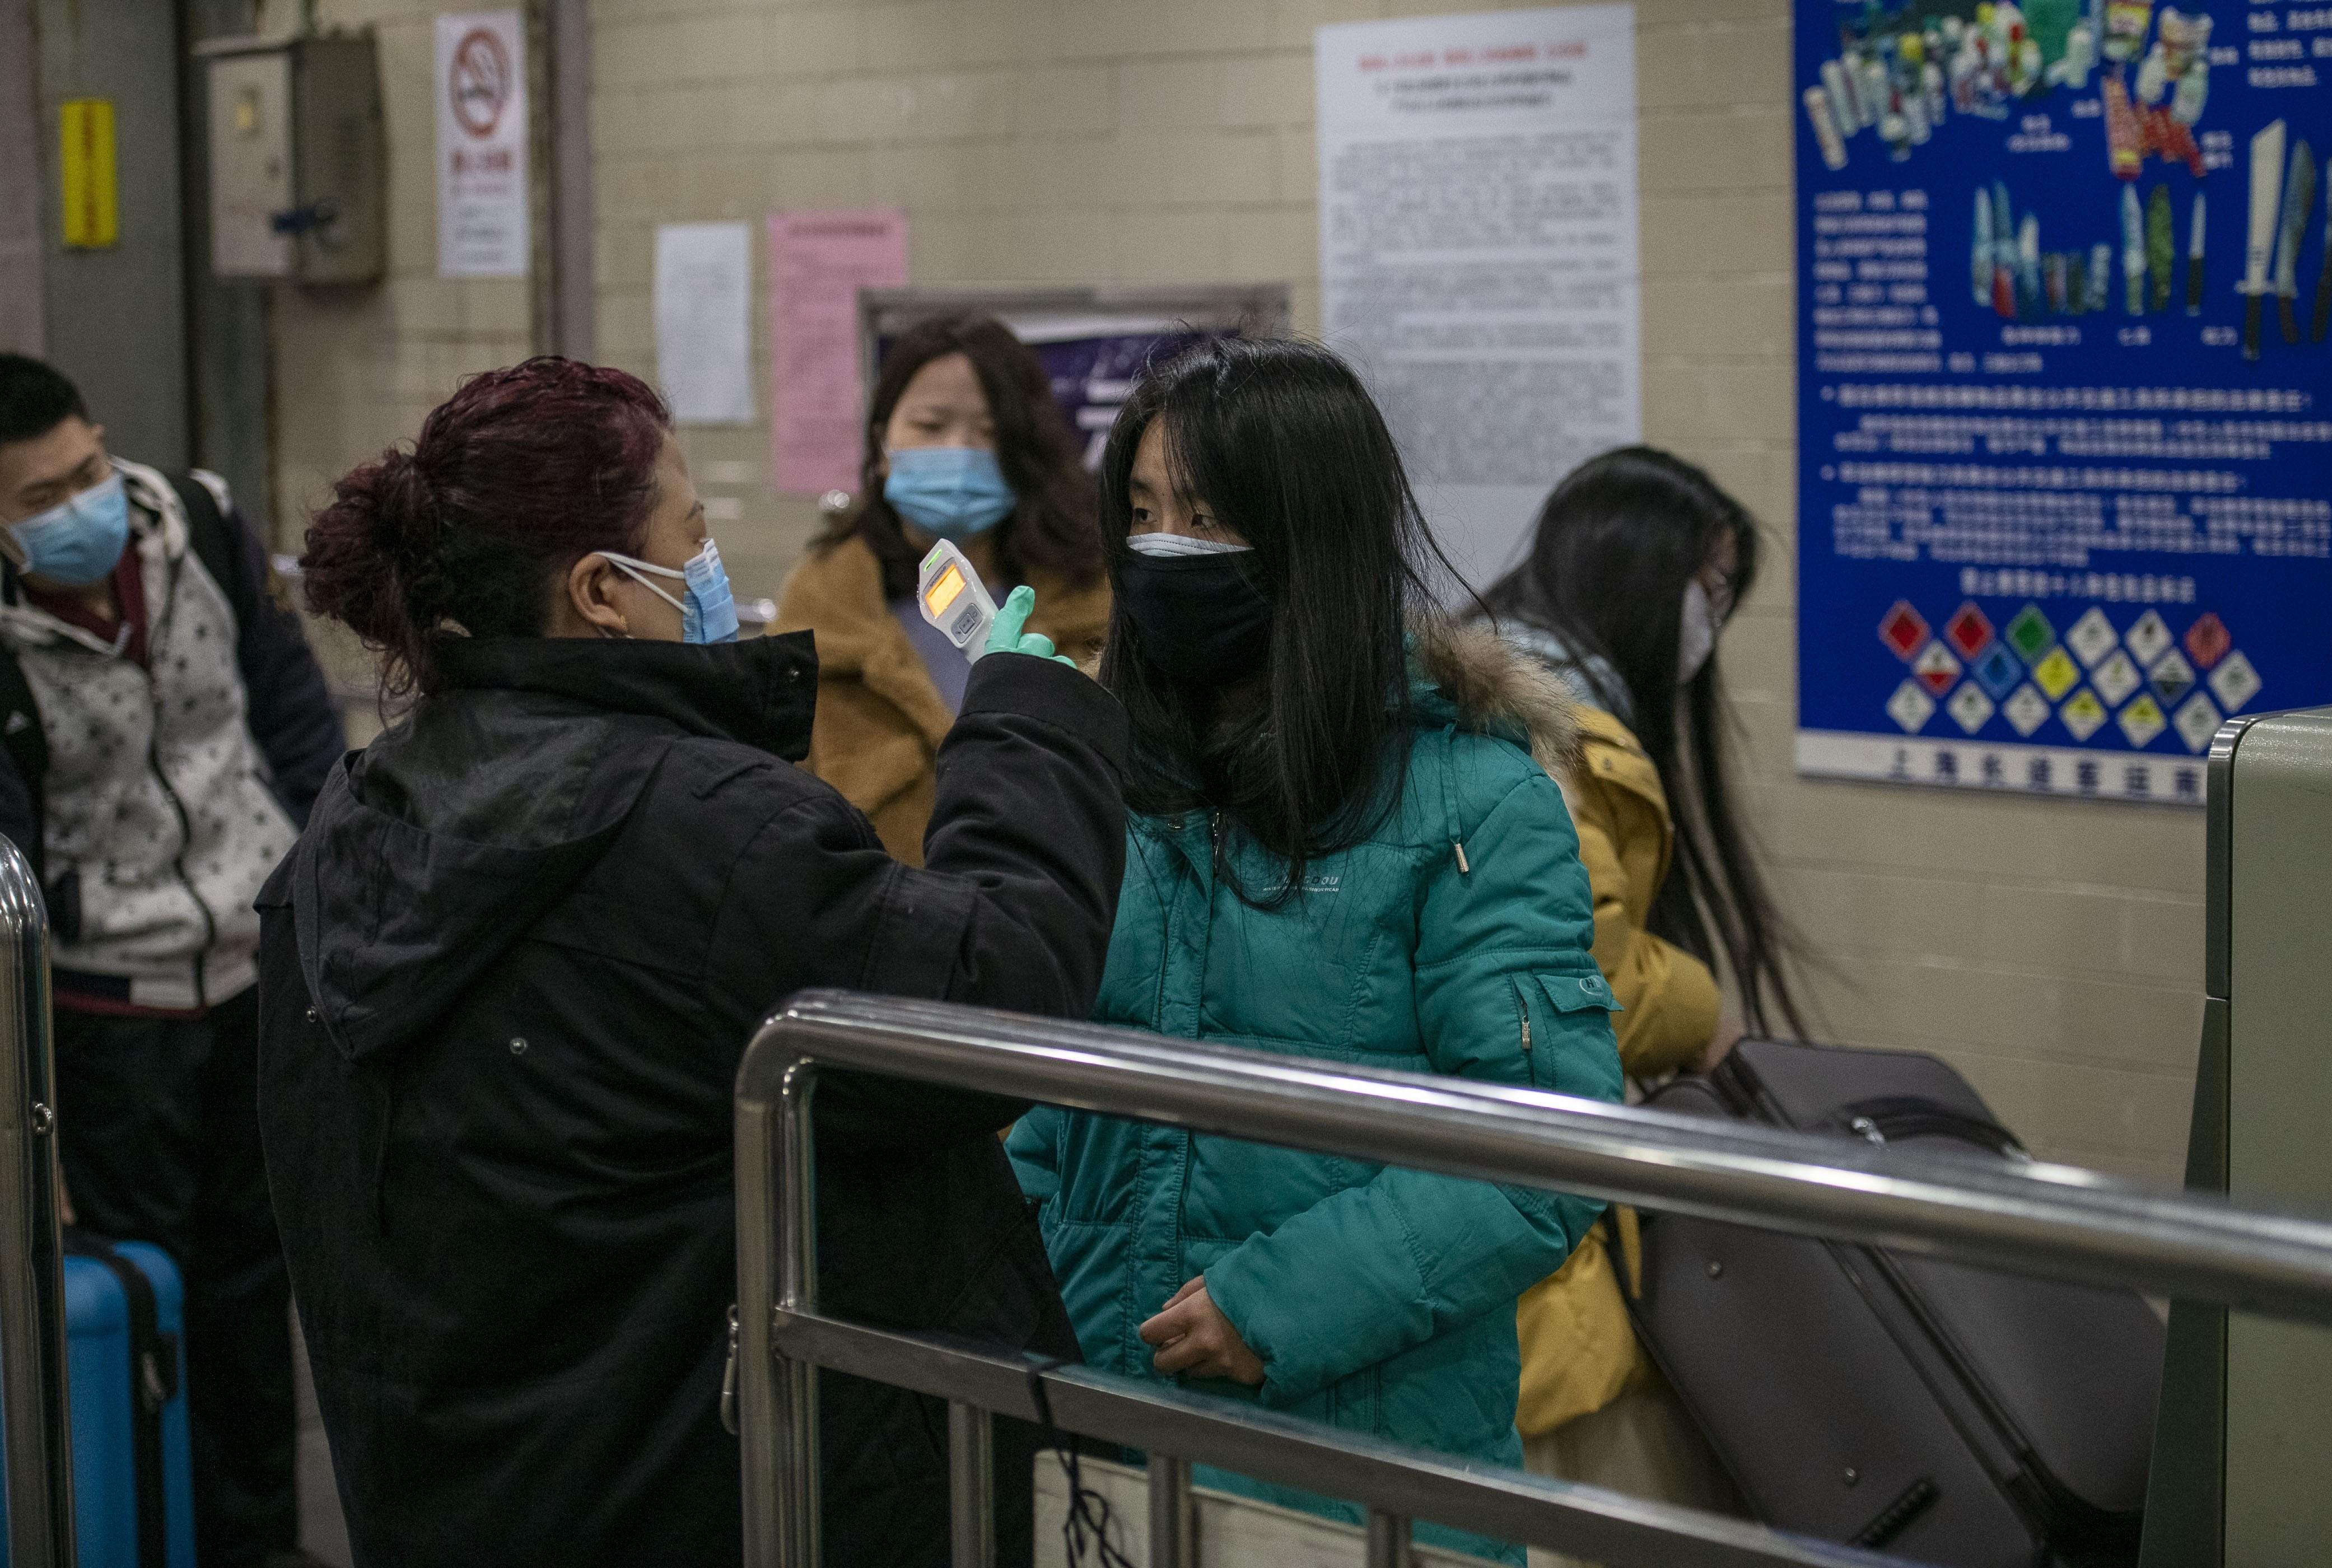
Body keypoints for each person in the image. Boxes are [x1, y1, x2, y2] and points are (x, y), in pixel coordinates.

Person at [254, 357, 1130, 1566]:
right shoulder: (707, 831)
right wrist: (1027, 724)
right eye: (697, 533)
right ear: (606, 590)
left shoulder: (349, 829)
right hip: (727, 1493)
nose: (720, 571)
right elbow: (990, 1001)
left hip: (473, 1493)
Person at [1006, 338, 1624, 1565]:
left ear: (1311, 534)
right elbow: (1046, 1088)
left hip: (1348, 1468)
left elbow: (1541, 1150)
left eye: (1207, 516)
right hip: (1095, 1437)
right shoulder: (1124, 781)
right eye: (1141, 514)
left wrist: (1273, 1304)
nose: (1164, 548)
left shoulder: (1469, 800)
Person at [0, 354, 343, 1567]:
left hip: (256, 970)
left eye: (86, 468)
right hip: (108, 1008)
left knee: (259, 1292)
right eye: (39, 499)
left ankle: (262, 1541)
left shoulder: (194, 521)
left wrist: (320, 870)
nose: (80, 503)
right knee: (157, 1294)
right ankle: (156, 1536)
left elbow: (289, 708)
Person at [1482, 446, 1806, 1530]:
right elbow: (1586, 973)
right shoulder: (1539, 731)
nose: (1710, 619)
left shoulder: (1528, 695)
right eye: (1706, 589)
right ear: (1632, 573)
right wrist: (1708, 1011)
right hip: (1536, 1255)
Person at [776, 312, 1108, 862]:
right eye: (931, 426)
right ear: (883, 445)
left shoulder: (1093, 611)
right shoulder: (819, 622)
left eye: (991, 432)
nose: (960, 451)